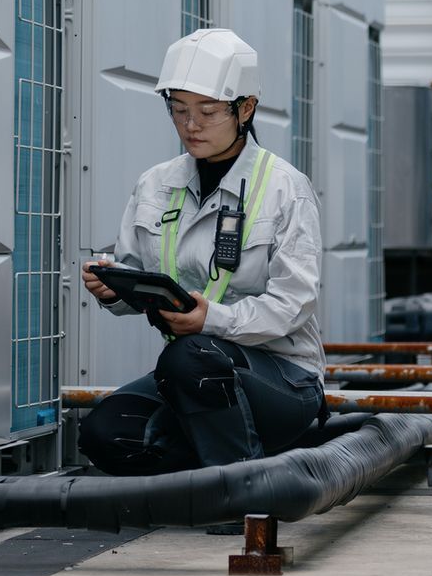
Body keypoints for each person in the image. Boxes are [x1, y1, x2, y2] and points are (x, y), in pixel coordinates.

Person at [78, 28, 325, 475]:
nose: (191, 125)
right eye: (178, 110)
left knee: (190, 356)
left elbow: (294, 303)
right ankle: (228, 467)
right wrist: (113, 289)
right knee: (106, 434)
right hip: (191, 376)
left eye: (207, 111)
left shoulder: (286, 189)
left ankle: (242, 496)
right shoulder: (156, 184)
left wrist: (211, 319)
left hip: (283, 378)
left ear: (245, 108)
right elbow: (138, 271)